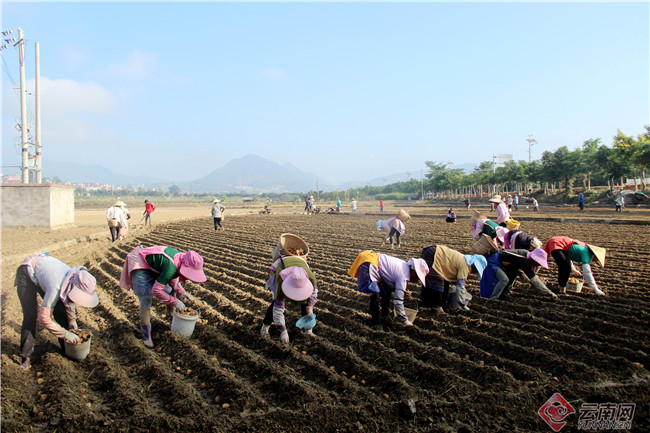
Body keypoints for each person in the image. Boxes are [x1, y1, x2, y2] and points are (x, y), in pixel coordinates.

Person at [15, 253, 100, 371]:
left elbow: (69, 298)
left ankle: (67, 350)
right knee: (30, 315)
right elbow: (43, 318)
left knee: (61, 312)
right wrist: (65, 334)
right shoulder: (55, 287)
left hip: (45, 274)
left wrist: (72, 320)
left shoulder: (72, 277)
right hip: (27, 273)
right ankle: (26, 357)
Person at [120, 245, 207, 347]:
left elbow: (173, 278)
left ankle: (171, 318)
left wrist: (181, 292)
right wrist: (175, 302)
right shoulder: (171, 266)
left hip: (155, 267)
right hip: (140, 264)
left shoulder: (181, 259)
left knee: (170, 290)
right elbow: (156, 290)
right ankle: (146, 335)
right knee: (146, 299)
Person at [349, 251, 428, 331]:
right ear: (414, 272)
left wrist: (400, 291)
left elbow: (390, 279)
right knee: (374, 295)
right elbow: (398, 302)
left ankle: (385, 315)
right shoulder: (403, 277)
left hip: (374, 260)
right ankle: (377, 323)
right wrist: (404, 319)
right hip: (370, 264)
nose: (416, 281)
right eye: (418, 278)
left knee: (386, 290)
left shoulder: (404, 266)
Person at [260, 249, 318, 345]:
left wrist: (310, 308)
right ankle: (264, 328)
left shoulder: (311, 278)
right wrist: (283, 331)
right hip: (279, 271)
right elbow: (278, 309)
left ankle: (308, 331)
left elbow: (313, 295)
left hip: (299, 267)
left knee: (305, 302)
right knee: (275, 304)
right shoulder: (281, 283)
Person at [419, 245, 487, 313]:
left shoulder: (466, 261)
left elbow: (454, 282)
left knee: (443, 281)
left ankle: (432, 303)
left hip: (434, 251)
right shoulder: (465, 267)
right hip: (433, 254)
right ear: (475, 267)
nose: (475, 273)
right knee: (437, 280)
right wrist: (462, 304)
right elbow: (460, 286)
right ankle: (437, 306)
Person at [480, 248, 557, 300]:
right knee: (504, 280)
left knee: (512, 274)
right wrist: (549, 293)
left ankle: (504, 294)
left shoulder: (525, 255)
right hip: (493, 262)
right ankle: (493, 299)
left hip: (501, 262)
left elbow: (515, 272)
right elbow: (533, 278)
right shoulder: (524, 260)